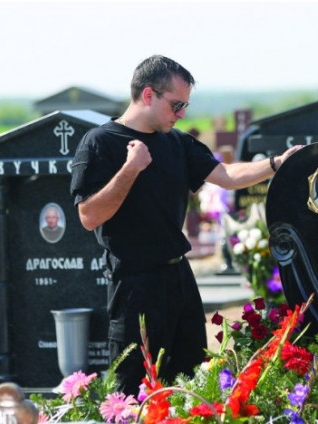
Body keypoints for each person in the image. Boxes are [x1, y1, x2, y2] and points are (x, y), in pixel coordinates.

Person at [70, 54, 301, 395]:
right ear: (148, 95)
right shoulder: (100, 142)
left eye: (185, 106)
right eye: (176, 105)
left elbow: (225, 175)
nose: (181, 115)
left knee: (192, 381)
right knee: (133, 388)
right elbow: (89, 216)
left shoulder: (176, 142)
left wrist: (276, 163)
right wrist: (131, 168)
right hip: (134, 283)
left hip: (179, 278)